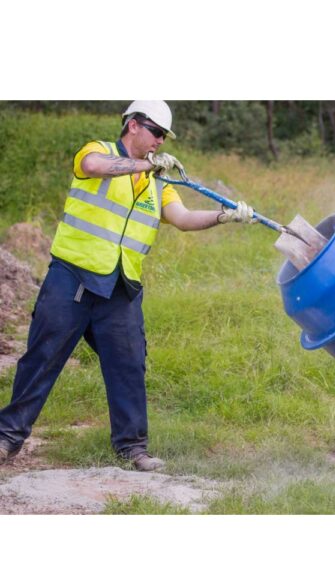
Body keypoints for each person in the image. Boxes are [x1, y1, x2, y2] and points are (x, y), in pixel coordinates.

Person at [0, 100, 255, 471]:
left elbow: (182, 218)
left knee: (128, 366)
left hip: (121, 287)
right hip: (72, 277)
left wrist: (224, 216)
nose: (160, 142)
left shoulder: (158, 182)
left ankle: (132, 449)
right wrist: (145, 165)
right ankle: (7, 438)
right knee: (42, 357)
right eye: (156, 133)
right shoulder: (98, 151)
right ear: (133, 125)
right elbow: (93, 167)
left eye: (164, 137)